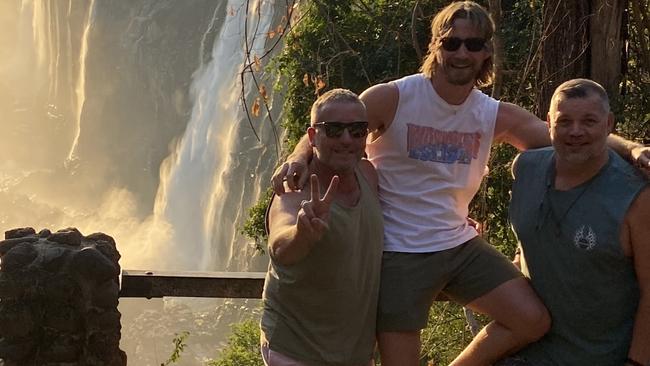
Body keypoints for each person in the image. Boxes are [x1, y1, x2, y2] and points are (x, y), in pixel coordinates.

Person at [270, 2, 650, 365]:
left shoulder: (491, 114)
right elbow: (333, 124)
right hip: (400, 252)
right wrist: (297, 155)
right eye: (451, 42)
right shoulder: (393, 98)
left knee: (533, 320)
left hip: (459, 247)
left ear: (486, 52)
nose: (461, 53)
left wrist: (632, 149)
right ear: (436, 46)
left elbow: (565, 132)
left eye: (473, 44)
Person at [506, 79, 650, 366]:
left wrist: (637, 362)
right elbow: (526, 245)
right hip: (527, 353)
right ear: (548, 123)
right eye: (565, 121)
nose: (575, 131)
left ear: (608, 124)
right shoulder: (526, 169)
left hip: (601, 357)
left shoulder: (636, 197)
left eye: (589, 121)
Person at [260, 88, 383, 366]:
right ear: (314, 136)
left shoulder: (368, 174)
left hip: (354, 353)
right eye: (334, 130)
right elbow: (281, 246)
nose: (346, 139)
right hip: (296, 351)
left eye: (357, 130)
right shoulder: (294, 190)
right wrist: (302, 234)